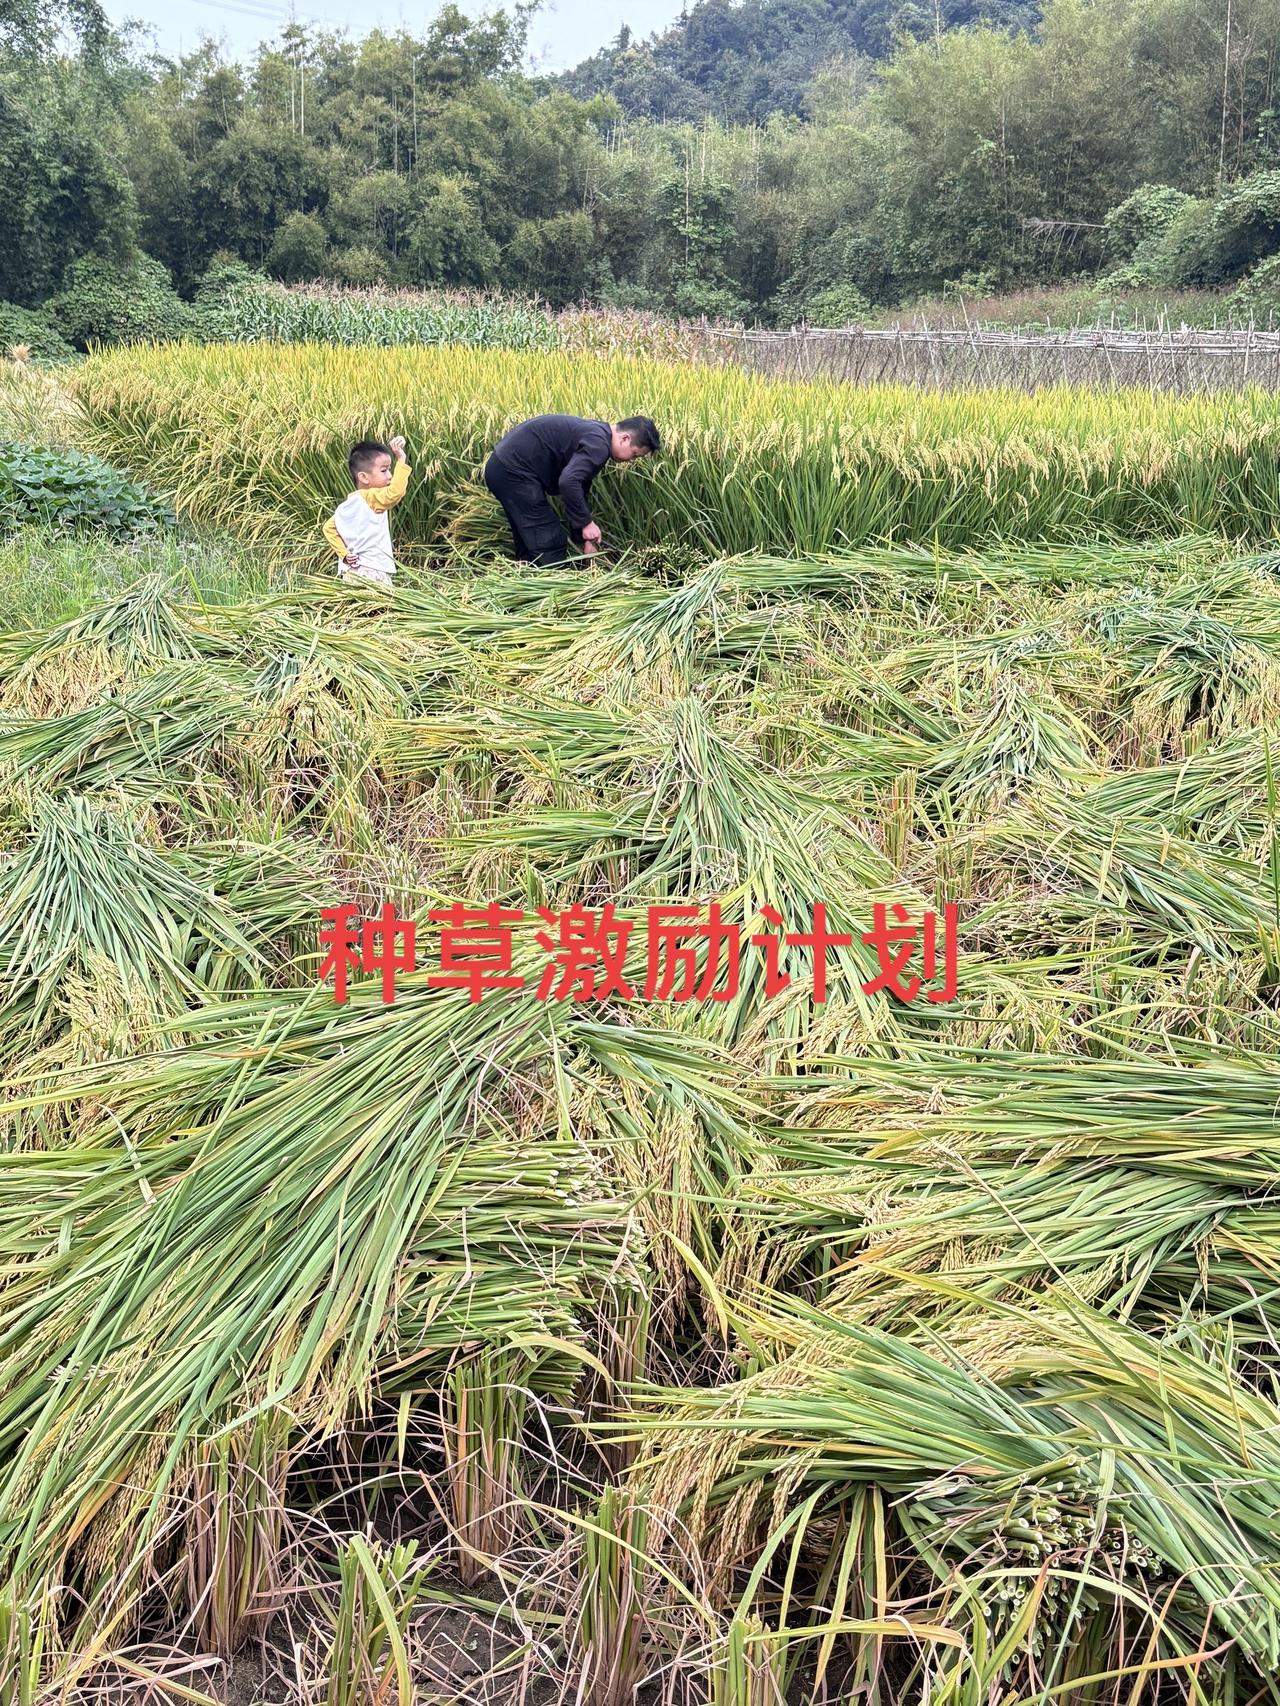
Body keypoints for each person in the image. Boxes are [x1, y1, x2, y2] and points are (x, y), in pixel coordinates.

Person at [483, 415, 660, 569]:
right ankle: (550, 596)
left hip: (504, 468)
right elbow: (569, 482)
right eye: (635, 455)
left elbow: (579, 488)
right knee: (549, 542)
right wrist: (586, 524)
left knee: (530, 539)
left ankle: (524, 582)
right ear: (625, 439)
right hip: (513, 472)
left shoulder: (597, 434)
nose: (631, 460)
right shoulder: (599, 445)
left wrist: (583, 536)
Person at [323, 436, 412, 589]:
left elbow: (328, 528)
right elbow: (395, 493)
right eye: (384, 470)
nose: (390, 475)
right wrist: (401, 458)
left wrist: (344, 554)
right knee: (385, 611)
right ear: (363, 477)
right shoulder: (371, 497)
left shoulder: (346, 506)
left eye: (389, 469)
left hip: (351, 574)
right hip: (373, 572)